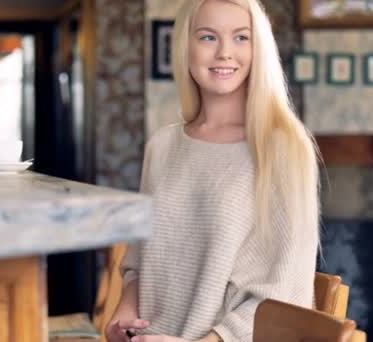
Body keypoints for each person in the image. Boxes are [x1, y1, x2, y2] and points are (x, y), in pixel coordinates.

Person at [105, 0, 320, 341]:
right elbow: (140, 258)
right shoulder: (161, 147)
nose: (224, 52)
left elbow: (287, 290)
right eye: (208, 37)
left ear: (258, 48)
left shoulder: (284, 148)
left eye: (241, 38)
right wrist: (125, 310)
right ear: (185, 46)